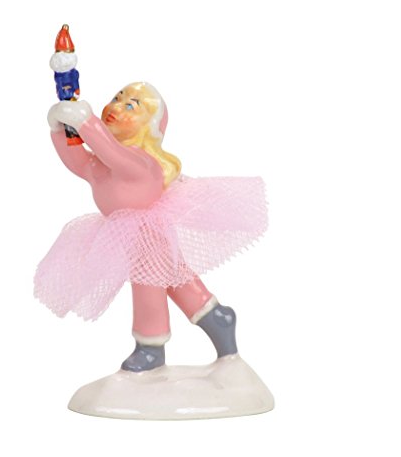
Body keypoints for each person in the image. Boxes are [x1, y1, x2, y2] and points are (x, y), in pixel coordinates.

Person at [34, 82, 268, 372]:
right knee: (175, 279)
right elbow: (78, 161)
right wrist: (59, 130)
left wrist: (86, 123)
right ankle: (216, 317)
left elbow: (113, 154)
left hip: (147, 234)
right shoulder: (100, 165)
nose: (116, 107)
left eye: (130, 106)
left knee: (148, 284)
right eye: (116, 98)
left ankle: (151, 346)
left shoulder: (142, 163)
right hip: (127, 233)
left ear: (148, 127)